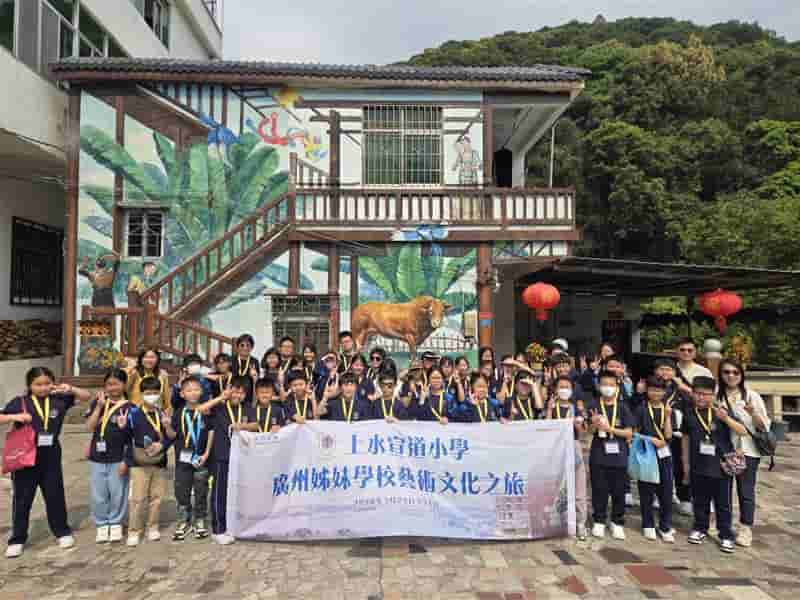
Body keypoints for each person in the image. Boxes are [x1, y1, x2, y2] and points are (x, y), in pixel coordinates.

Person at [2, 368, 91, 558]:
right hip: (26, 457)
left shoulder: (59, 399)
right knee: (22, 499)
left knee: (54, 495)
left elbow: (86, 397)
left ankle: (62, 531)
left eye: (47, 383)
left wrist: (71, 388)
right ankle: (17, 539)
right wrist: (14, 417)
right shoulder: (20, 402)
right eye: (38, 384)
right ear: (29, 385)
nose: (43, 388)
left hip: (50, 455)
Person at [681, 375, 747, 553]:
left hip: (721, 467)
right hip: (698, 466)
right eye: (697, 393)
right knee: (699, 501)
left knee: (723, 504)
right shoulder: (689, 413)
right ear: (692, 393)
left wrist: (726, 419)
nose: (701, 397)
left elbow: (743, 431)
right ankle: (700, 528)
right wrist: (686, 464)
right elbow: (685, 440)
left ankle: (726, 535)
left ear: (713, 395)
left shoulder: (721, 411)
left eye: (705, 394)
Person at [717, 358, 771, 547]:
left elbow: (764, 426)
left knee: (745, 490)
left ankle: (745, 528)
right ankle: (722, 524)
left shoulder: (751, 396)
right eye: (726, 372)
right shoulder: (717, 395)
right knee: (722, 489)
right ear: (721, 374)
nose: (731, 376)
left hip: (747, 450)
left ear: (741, 375)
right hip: (723, 449)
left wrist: (752, 412)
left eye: (735, 372)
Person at [198, 376, 250, 545]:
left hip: (241, 457)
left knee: (235, 493)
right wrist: (221, 397)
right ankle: (218, 529)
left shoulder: (247, 408)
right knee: (219, 493)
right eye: (235, 391)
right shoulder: (219, 407)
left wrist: (243, 426)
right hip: (221, 456)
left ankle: (231, 526)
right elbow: (200, 409)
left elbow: (256, 425)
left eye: (241, 392)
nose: (237, 395)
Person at [125, 376, 177, 547]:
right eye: (148, 393)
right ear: (141, 394)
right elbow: (126, 439)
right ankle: (134, 531)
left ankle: (152, 527)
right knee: (138, 499)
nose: (152, 396)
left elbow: (172, 437)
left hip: (159, 461)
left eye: (155, 392)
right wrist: (122, 427)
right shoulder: (134, 413)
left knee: (157, 498)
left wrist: (162, 442)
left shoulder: (162, 413)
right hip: (139, 462)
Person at [587, 370, 634, 540]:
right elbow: (588, 431)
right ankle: (599, 520)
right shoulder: (593, 405)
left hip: (619, 456)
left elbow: (629, 433)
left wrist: (609, 429)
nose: (608, 387)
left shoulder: (623, 407)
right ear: (599, 386)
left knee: (619, 491)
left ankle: (617, 522)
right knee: (599, 489)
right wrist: (594, 424)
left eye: (611, 385)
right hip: (599, 455)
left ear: (617, 387)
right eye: (604, 384)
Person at [87, 369, 132, 544]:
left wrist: (126, 460)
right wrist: (99, 407)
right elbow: (90, 427)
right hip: (97, 457)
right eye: (109, 384)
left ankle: (115, 522)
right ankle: (101, 524)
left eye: (116, 384)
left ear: (124, 385)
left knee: (118, 492)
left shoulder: (131, 408)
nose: (112, 388)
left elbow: (132, 438)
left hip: (118, 458)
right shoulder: (98, 403)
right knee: (98, 493)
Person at [171, 376, 214, 541]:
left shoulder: (205, 411)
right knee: (182, 491)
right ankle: (184, 520)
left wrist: (207, 453)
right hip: (183, 460)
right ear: (182, 394)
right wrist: (167, 426)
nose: (193, 393)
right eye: (189, 390)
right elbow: (172, 434)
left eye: (196, 389)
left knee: (201, 490)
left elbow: (211, 432)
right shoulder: (178, 412)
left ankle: (200, 519)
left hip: (201, 459)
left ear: (201, 391)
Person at [635, 376, 676, 543]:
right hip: (647, 454)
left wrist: (668, 416)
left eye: (659, 390)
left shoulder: (668, 409)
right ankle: (648, 524)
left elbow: (669, 436)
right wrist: (650, 439)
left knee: (666, 492)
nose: (655, 393)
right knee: (646, 491)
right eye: (652, 389)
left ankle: (665, 526)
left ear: (664, 391)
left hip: (664, 455)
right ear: (647, 390)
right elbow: (634, 434)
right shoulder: (641, 409)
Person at [547, 375, 588, 540]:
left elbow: (583, 432)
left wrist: (578, 426)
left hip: (573, 446)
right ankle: (556, 519)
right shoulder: (551, 406)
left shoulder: (576, 408)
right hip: (555, 448)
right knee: (556, 485)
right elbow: (546, 427)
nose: (564, 390)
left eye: (567, 387)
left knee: (579, 485)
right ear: (555, 389)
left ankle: (580, 522)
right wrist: (549, 410)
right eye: (561, 387)